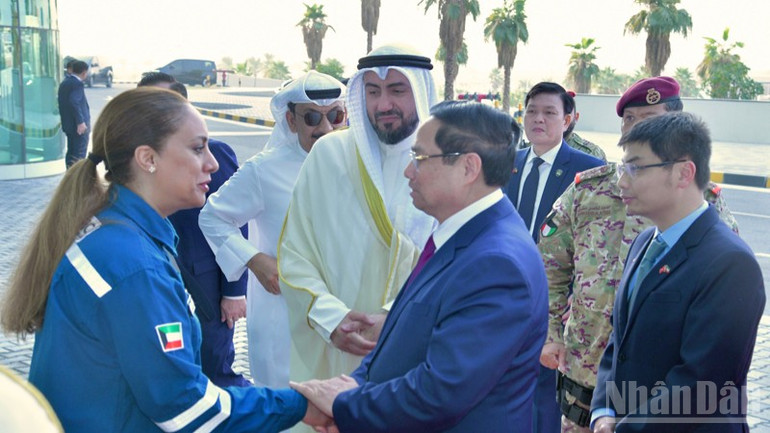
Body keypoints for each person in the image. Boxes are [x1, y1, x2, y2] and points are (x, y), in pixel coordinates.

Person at [0, 87, 329, 432]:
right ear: (148, 159)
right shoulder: (133, 264)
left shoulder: (119, 233)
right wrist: (299, 404)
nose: (213, 163)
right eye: (197, 148)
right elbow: (184, 409)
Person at [291, 100, 548, 432]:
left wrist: (344, 404)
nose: (408, 171)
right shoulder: (460, 234)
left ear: (469, 168)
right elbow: (400, 345)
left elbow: (442, 391)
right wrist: (354, 391)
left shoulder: (497, 264)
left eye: (420, 158)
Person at [537, 76, 739, 433]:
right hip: (585, 373)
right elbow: (548, 266)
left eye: (649, 118)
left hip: (658, 388)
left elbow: (716, 317)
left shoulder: (699, 202)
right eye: (629, 119)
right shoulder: (589, 190)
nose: (635, 128)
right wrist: (552, 332)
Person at [590, 112, 764, 432]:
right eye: (621, 167)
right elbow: (619, 340)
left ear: (684, 173)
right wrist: (602, 408)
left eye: (636, 168)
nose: (621, 181)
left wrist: (624, 429)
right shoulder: (645, 242)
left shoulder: (729, 263)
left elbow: (701, 383)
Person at [277, 44, 438, 387]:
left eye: (397, 90)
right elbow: (295, 253)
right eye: (372, 91)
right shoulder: (329, 155)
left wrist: (394, 319)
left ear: (421, 91)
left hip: (415, 348)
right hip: (337, 346)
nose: (383, 105)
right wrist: (331, 319)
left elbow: (452, 262)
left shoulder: (445, 163)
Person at [199, 71, 347, 389]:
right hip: (283, 314)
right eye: (312, 117)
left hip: (343, 312)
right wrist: (254, 260)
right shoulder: (263, 170)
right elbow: (212, 216)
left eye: (335, 115)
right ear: (291, 121)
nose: (326, 128)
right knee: (287, 407)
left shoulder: (356, 164)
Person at [137, 76, 252, 387]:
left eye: (165, 106)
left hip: (207, 290)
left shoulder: (213, 154)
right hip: (162, 286)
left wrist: (234, 290)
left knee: (216, 372)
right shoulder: (139, 159)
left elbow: (235, 223)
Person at [504, 81, 604, 433]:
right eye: (532, 111)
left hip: (556, 302)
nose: (538, 119)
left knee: (546, 392)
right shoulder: (507, 163)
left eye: (549, 112)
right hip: (505, 296)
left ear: (568, 120)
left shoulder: (588, 171)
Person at [58, 59, 90, 168]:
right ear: (84, 72)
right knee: (79, 155)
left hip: (68, 125)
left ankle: (69, 178)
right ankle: (76, 181)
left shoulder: (64, 83)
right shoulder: (77, 84)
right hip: (78, 127)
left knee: (71, 153)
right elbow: (74, 101)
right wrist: (80, 122)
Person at [563, 92, 606, 161]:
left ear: (576, 117)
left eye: (566, 112)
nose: (562, 118)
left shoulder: (591, 153)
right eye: (550, 113)